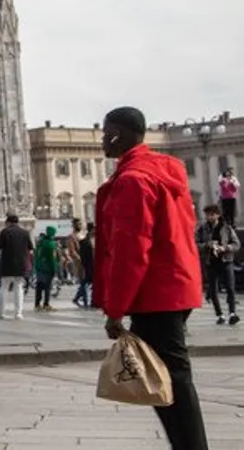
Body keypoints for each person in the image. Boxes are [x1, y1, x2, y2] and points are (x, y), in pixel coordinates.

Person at [95, 106, 208, 450]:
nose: (102, 139)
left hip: (155, 292)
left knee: (171, 381)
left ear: (119, 134)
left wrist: (116, 309)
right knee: (166, 379)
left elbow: (131, 249)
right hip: (175, 287)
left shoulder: (134, 180)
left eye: (106, 133)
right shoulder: (164, 170)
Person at [196, 203, 239, 326]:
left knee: (230, 287)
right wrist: (207, 245)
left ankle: (232, 313)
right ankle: (220, 314)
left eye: (212, 214)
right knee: (213, 289)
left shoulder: (226, 228)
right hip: (211, 262)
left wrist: (225, 248)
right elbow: (196, 244)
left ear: (218, 215)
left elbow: (236, 244)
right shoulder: (202, 229)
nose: (209, 217)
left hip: (226, 261)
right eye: (207, 215)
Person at [0, 214, 32, 320]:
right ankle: (18, 313)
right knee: (19, 287)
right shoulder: (25, 232)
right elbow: (30, 247)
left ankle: (1, 312)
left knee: (4, 287)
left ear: (8, 222)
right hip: (21, 264)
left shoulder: (5, 232)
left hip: (7, 263)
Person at [33, 226, 60, 311]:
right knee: (47, 286)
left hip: (39, 267)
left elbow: (36, 254)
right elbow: (52, 259)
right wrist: (54, 269)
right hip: (47, 268)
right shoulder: (51, 244)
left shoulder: (40, 242)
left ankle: (37, 304)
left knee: (39, 286)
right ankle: (46, 304)